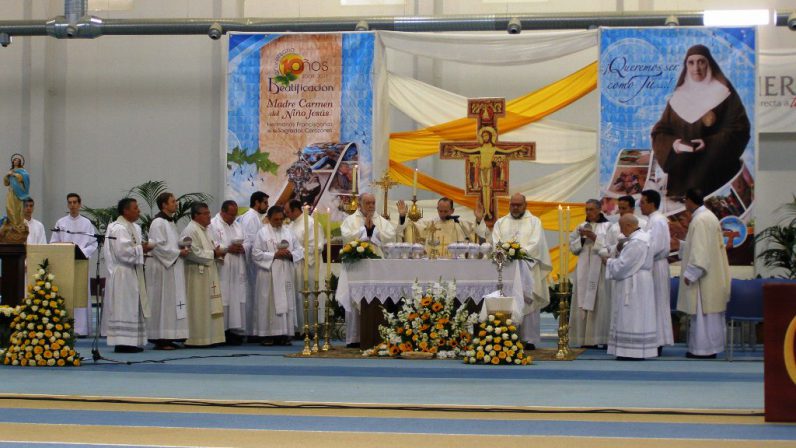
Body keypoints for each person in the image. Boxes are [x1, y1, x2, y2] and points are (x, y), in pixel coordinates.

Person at [651, 44, 751, 199]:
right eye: (691, 62)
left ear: (709, 63)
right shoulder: (678, 96)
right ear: (686, 65)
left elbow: (740, 129)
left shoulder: (724, 94)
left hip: (713, 175)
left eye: (701, 62)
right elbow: (660, 131)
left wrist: (708, 143)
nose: (696, 68)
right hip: (682, 177)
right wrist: (674, 144)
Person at [489, 193, 552, 350]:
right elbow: (496, 242)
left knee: (528, 300)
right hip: (507, 269)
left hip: (527, 268)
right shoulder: (501, 223)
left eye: (519, 205)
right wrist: (507, 253)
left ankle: (528, 338)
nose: (515, 208)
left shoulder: (534, 222)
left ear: (525, 205)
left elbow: (536, 244)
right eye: (513, 205)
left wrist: (517, 253)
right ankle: (507, 335)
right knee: (507, 300)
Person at [677, 188, 731, 359]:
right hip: (712, 275)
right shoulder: (708, 217)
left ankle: (702, 350)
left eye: (685, 200)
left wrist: (691, 273)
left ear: (690, 201)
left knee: (702, 314)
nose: (685, 204)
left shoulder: (700, 220)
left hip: (703, 278)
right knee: (710, 316)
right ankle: (711, 347)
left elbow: (700, 252)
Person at [340, 192, 397, 348]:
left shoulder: (381, 221)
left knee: (377, 298)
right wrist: (364, 230)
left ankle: (376, 336)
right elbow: (346, 237)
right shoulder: (350, 220)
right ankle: (355, 337)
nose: (371, 206)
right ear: (360, 204)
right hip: (356, 267)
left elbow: (391, 236)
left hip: (377, 268)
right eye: (367, 203)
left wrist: (374, 232)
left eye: (373, 203)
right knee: (354, 300)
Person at [101, 198, 153, 353]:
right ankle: (122, 342)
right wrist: (142, 249)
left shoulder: (134, 227)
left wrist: (142, 250)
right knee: (124, 307)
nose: (139, 211)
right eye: (136, 208)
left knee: (132, 306)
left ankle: (131, 341)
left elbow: (134, 248)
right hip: (123, 273)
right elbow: (123, 252)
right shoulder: (118, 228)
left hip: (132, 271)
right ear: (125, 211)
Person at [604, 214, 658, 360]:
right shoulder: (644, 237)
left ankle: (630, 352)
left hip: (634, 283)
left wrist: (608, 262)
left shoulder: (637, 241)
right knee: (639, 315)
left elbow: (624, 265)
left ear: (629, 225)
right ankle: (636, 350)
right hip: (641, 280)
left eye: (622, 227)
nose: (621, 231)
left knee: (632, 315)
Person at [251, 205, 304, 346]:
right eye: (276, 219)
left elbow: (300, 250)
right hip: (268, 274)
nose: (279, 222)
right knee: (268, 303)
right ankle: (267, 335)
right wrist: (274, 254)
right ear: (268, 219)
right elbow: (255, 254)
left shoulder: (289, 232)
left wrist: (290, 254)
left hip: (285, 271)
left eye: (281, 219)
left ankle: (285, 334)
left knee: (286, 302)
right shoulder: (262, 233)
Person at [145, 192, 189, 350]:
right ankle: (161, 337)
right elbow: (157, 246)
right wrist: (178, 252)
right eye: (173, 201)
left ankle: (171, 336)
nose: (176, 203)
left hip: (172, 267)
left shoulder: (170, 222)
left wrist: (181, 247)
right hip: (162, 269)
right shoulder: (158, 223)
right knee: (163, 302)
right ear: (164, 205)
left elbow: (169, 243)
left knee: (172, 303)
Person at [51, 193, 99, 336]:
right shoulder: (61, 222)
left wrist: (81, 252)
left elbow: (93, 243)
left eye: (74, 202)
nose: (72, 205)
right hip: (65, 262)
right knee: (65, 292)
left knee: (80, 293)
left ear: (79, 204)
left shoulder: (86, 223)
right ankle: (65, 327)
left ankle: (81, 329)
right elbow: (54, 242)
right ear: (67, 205)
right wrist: (65, 251)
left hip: (80, 262)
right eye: (70, 202)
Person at [180, 203, 226, 347]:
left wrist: (216, 252)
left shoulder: (206, 230)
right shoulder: (190, 230)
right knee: (199, 306)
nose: (209, 216)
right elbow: (192, 253)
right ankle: (197, 338)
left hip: (209, 272)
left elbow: (210, 248)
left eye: (209, 212)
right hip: (196, 275)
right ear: (196, 215)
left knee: (209, 305)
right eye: (205, 213)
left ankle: (211, 337)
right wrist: (214, 253)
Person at [568, 199, 612, 348]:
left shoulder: (608, 226)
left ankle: (600, 338)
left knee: (600, 301)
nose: (589, 213)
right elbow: (573, 248)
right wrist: (581, 238)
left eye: (592, 209)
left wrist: (594, 237)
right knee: (582, 301)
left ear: (600, 210)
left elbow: (610, 247)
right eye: (586, 209)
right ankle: (583, 339)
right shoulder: (580, 227)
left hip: (600, 270)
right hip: (583, 270)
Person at [640, 190, 674, 355]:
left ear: (651, 203)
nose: (640, 204)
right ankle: (653, 339)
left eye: (643, 202)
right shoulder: (652, 220)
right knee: (652, 302)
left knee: (658, 302)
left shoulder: (658, 221)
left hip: (656, 264)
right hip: (651, 264)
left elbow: (657, 246)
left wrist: (638, 253)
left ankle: (658, 341)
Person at [210, 200, 248, 345]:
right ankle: (221, 331)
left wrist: (243, 248)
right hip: (222, 268)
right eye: (231, 214)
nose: (233, 217)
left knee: (236, 298)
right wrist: (228, 248)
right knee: (223, 298)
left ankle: (234, 330)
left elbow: (248, 242)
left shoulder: (238, 225)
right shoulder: (214, 225)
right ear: (223, 212)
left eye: (235, 214)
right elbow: (212, 244)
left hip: (237, 267)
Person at [284, 199, 325, 334]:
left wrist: (295, 253)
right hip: (295, 266)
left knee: (309, 296)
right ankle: (298, 328)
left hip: (308, 267)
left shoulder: (311, 223)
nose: (286, 214)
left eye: (288, 211)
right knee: (297, 297)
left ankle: (310, 328)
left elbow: (316, 247)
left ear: (296, 210)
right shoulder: (291, 225)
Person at [238, 191, 269, 338]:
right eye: (265, 203)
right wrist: (255, 263)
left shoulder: (256, 217)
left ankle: (253, 330)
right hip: (251, 264)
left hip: (255, 263)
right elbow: (249, 243)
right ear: (256, 202)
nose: (267, 206)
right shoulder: (251, 218)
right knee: (251, 296)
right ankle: (250, 331)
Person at [397, 197, 475, 253]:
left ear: (452, 211)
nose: (442, 214)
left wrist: (479, 219)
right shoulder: (430, 223)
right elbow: (412, 226)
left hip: (454, 261)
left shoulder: (459, 223)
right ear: (437, 209)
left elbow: (476, 230)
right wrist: (402, 216)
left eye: (445, 211)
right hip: (434, 260)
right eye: (440, 211)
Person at [2, 153, 30, 236]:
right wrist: (7, 175)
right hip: (11, 192)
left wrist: (15, 174)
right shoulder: (10, 171)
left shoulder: (22, 171)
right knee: (9, 207)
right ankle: (12, 224)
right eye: (15, 160)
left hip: (18, 193)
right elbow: (6, 183)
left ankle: (18, 225)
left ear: (20, 162)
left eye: (18, 161)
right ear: (13, 162)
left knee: (18, 209)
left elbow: (24, 178)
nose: (16, 162)